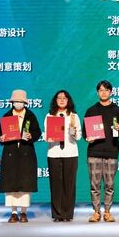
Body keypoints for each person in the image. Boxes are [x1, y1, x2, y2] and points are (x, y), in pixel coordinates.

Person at [0, 89, 42, 223]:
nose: (18, 103)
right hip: (10, 153)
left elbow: (37, 132)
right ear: (12, 102)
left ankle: (23, 212)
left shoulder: (30, 116)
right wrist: (1, 138)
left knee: (25, 184)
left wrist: (31, 136)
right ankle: (13, 212)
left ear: (25, 103)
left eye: (20, 101)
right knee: (10, 184)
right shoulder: (6, 116)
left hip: (26, 153)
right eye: (15, 101)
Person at [83, 80, 119, 223]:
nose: (104, 92)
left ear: (111, 92)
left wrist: (118, 129)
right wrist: (88, 138)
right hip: (94, 151)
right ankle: (96, 212)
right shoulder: (91, 110)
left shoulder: (117, 110)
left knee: (109, 185)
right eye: (101, 90)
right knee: (94, 185)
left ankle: (107, 212)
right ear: (97, 93)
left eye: (106, 90)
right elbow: (85, 132)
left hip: (111, 151)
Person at [44, 90, 82, 222]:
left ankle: (67, 213)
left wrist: (74, 132)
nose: (61, 100)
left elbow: (79, 136)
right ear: (55, 100)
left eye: (64, 98)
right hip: (54, 153)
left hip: (70, 153)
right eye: (59, 98)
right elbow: (46, 135)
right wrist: (49, 137)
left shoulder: (73, 116)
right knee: (55, 184)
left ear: (68, 101)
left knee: (69, 184)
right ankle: (57, 214)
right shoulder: (50, 115)